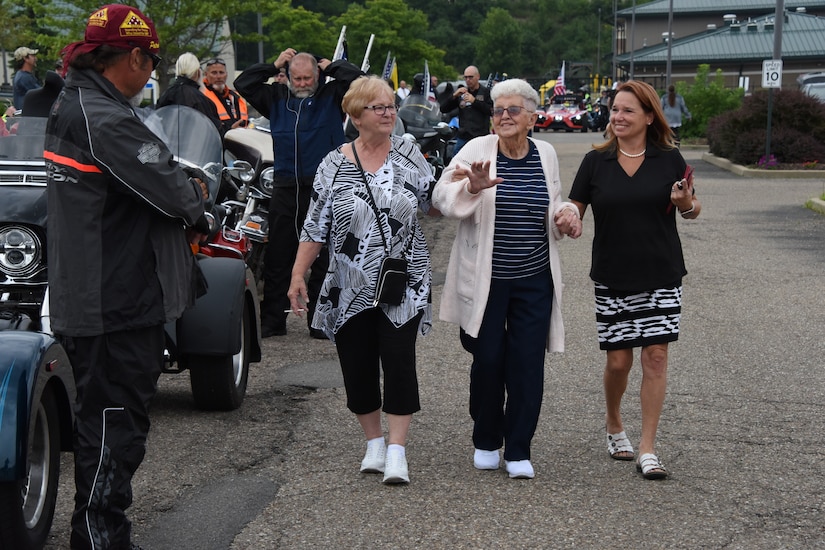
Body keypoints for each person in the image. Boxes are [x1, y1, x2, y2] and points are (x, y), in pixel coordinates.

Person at [46, 5, 209, 548]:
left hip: (100, 292)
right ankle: (97, 539)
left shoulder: (78, 102)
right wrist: (198, 198)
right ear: (134, 56)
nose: (152, 73)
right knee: (115, 429)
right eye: (152, 61)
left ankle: (104, 534)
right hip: (110, 300)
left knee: (111, 424)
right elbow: (171, 189)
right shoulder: (104, 116)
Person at [287, 76, 437, 484]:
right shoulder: (332, 164)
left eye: (391, 106)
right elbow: (315, 226)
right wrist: (299, 274)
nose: (389, 113)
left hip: (402, 282)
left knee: (399, 364)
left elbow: (434, 204)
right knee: (356, 365)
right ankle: (373, 442)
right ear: (355, 116)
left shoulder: (408, 153)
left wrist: (467, 189)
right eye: (379, 107)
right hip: (348, 284)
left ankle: (397, 451)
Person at [433, 78, 581, 480]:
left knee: (527, 366)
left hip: (535, 279)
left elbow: (553, 200)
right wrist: (472, 187)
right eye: (498, 110)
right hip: (488, 280)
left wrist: (566, 214)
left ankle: (518, 448)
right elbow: (441, 197)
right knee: (488, 361)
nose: (503, 117)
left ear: (532, 117)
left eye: (514, 110)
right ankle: (486, 438)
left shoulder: (545, 153)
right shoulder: (476, 150)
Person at [566, 80, 702, 481]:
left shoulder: (668, 158)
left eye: (626, 111)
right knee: (619, 361)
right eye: (614, 110)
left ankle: (648, 449)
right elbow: (576, 205)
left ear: (648, 116)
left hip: (660, 272)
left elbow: (693, 208)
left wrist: (686, 203)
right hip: (612, 274)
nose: (617, 117)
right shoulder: (596, 161)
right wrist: (569, 217)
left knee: (655, 357)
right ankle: (613, 423)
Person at [235, 48, 363, 339]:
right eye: (297, 77)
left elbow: (359, 81)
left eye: (308, 77)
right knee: (279, 254)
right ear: (288, 77)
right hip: (284, 185)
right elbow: (243, 84)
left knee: (324, 256)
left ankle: (319, 319)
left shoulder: (332, 96)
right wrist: (274, 64)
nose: (303, 83)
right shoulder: (276, 99)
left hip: (324, 186)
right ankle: (273, 320)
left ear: (317, 76)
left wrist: (332, 66)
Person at [156, 52, 223, 134]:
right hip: (196, 145)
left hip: (169, 145)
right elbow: (212, 130)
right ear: (198, 72)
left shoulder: (166, 95)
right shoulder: (199, 99)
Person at [440, 65, 492, 155]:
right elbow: (443, 109)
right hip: (463, 137)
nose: (468, 80)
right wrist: (454, 96)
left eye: (470, 77)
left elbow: (491, 111)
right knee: (456, 163)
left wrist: (474, 101)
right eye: (466, 77)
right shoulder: (462, 93)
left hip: (480, 137)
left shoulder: (486, 92)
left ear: (478, 77)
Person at [202, 57, 249, 133]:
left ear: (226, 74)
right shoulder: (202, 95)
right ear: (206, 74)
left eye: (221, 72)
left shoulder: (235, 97)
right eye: (214, 73)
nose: (218, 77)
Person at [13, 46, 40, 111]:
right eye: (33, 56)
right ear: (25, 58)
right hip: (27, 118)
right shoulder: (24, 77)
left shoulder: (23, 75)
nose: (35, 58)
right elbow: (40, 95)